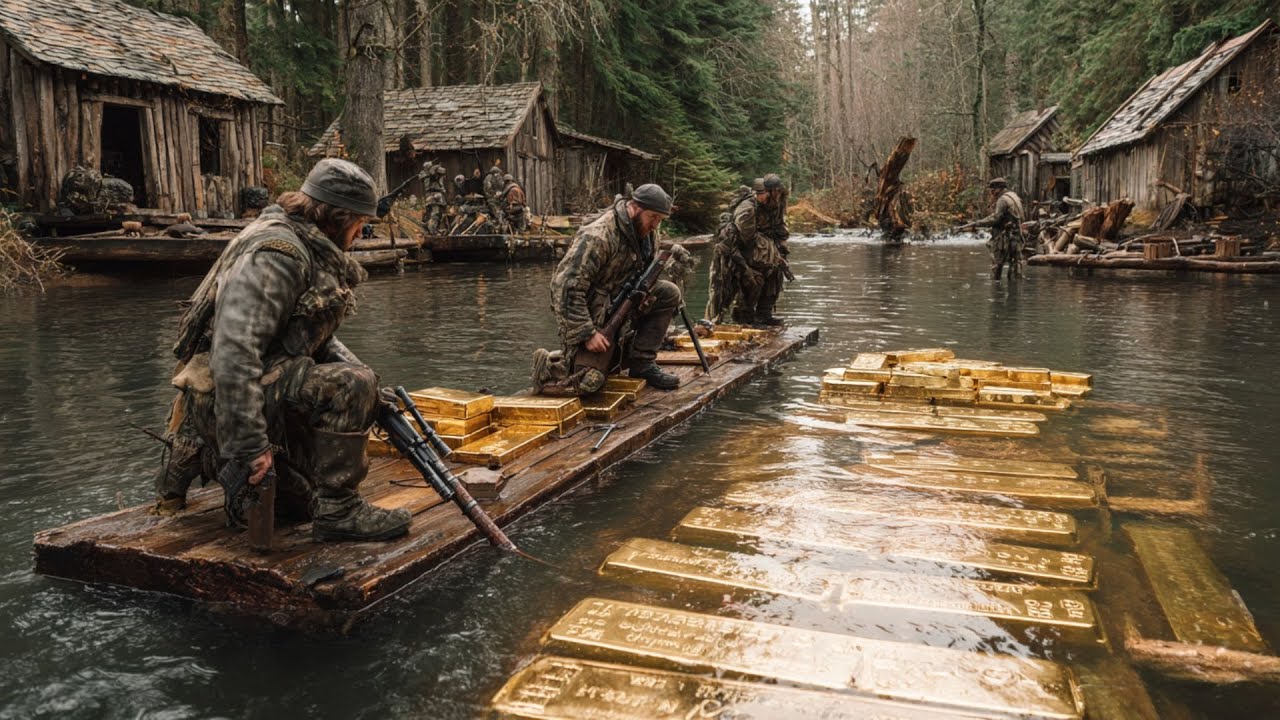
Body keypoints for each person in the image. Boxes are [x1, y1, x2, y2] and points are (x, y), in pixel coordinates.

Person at [150, 159, 411, 543]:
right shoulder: (278, 254)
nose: (360, 234)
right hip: (226, 397)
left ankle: (206, 455)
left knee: (302, 502)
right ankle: (339, 511)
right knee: (354, 384)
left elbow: (306, 333)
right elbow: (234, 354)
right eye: (358, 223)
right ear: (336, 218)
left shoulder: (297, 238)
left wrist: (374, 391)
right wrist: (251, 446)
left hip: (244, 388)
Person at [532, 184, 682, 396]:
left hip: (623, 306)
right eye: (653, 217)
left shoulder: (646, 232)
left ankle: (642, 362)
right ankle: (549, 366)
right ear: (635, 208)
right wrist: (587, 333)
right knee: (589, 384)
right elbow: (565, 287)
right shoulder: (598, 235)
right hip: (593, 315)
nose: (656, 225)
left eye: (661, 219)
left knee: (668, 293)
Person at [970, 177, 1026, 280]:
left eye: (993, 189)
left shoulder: (1002, 200)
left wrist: (979, 223)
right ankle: (1015, 284)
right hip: (1016, 234)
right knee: (1015, 262)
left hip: (1005, 236)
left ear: (999, 189)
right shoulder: (1013, 196)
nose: (991, 192)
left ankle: (996, 286)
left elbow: (996, 218)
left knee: (997, 262)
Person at [753, 173, 790, 324]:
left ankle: (765, 314)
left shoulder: (780, 199)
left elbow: (780, 220)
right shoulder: (755, 202)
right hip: (758, 243)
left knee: (776, 277)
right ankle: (747, 315)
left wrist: (782, 241)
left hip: (774, 239)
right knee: (757, 278)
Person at [422, 164, 448, 234]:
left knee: (438, 214)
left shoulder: (426, 174)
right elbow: (442, 171)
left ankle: (433, 229)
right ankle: (432, 230)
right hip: (434, 195)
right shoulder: (430, 174)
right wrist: (436, 166)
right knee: (435, 213)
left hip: (433, 195)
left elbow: (443, 171)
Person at [484, 165, 506, 230]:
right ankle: (500, 224)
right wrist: (495, 194)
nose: (498, 175)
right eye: (497, 173)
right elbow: (489, 189)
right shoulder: (490, 178)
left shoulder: (489, 178)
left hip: (493, 197)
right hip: (492, 198)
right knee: (497, 210)